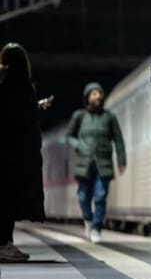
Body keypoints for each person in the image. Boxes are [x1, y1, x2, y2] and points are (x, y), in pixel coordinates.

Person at [0, 42, 50, 262]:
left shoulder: (3, 83)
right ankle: (4, 244)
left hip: (4, 152)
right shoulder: (21, 85)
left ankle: (5, 243)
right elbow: (21, 117)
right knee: (8, 202)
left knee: (3, 201)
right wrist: (36, 108)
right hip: (16, 154)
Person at [64, 82, 127, 243]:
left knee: (100, 196)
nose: (97, 96)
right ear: (87, 97)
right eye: (94, 94)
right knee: (83, 196)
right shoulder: (79, 116)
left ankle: (97, 228)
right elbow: (69, 136)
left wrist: (121, 161)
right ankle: (88, 220)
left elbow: (118, 140)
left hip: (103, 163)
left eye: (99, 93)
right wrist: (78, 145)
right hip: (84, 163)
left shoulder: (109, 117)